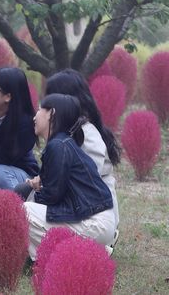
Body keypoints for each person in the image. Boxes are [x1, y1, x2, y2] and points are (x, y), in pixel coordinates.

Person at [23, 94, 116, 260]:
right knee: (30, 205)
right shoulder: (63, 142)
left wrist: (37, 192)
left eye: (38, 109)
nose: (34, 116)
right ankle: (93, 252)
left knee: (23, 211)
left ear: (51, 113)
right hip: (98, 221)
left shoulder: (58, 145)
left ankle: (79, 256)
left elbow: (52, 196)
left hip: (95, 223)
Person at [44, 69, 121, 241]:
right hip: (82, 206)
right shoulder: (71, 129)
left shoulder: (86, 131)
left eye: (49, 98)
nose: (45, 105)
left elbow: (90, 175)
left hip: (93, 213)